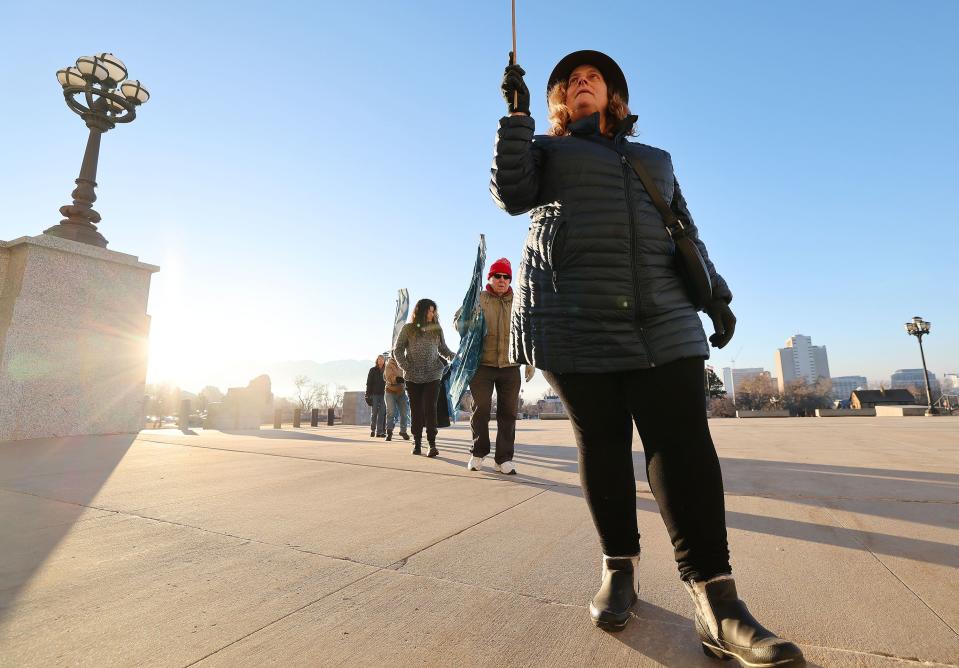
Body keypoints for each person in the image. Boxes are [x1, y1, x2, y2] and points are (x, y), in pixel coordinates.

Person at [491, 50, 803, 667]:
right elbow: (511, 191)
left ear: (615, 97)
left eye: (593, 78)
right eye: (570, 82)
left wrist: (715, 296)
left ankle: (718, 602)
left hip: (663, 316)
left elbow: (684, 229)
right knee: (602, 447)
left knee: (683, 447)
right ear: (559, 102)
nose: (581, 83)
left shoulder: (654, 159)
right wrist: (517, 116)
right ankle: (620, 568)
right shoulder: (546, 154)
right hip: (573, 318)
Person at [464, 257, 529, 475]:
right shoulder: (479, 299)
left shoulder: (519, 300)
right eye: (498, 276)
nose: (502, 280)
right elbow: (459, 323)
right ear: (490, 278)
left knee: (508, 414)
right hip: (482, 365)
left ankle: (504, 459)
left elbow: (528, 331)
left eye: (506, 277)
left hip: (511, 366)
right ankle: (478, 453)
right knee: (480, 409)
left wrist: (529, 360)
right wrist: (467, 318)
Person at [393, 298, 455, 457]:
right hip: (413, 376)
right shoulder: (408, 329)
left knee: (430, 408)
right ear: (420, 311)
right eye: (430, 310)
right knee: (416, 410)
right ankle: (417, 443)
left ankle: (432, 444)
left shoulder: (437, 329)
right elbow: (397, 350)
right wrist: (406, 366)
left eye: (434, 311)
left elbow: (443, 349)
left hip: (433, 374)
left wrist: (454, 357)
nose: (432, 314)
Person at [383, 356, 411, 441]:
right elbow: (389, 376)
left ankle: (403, 431)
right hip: (390, 391)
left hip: (401, 392)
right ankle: (389, 432)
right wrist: (397, 379)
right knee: (391, 412)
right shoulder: (389, 365)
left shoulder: (404, 363)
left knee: (404, 412)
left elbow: (408, 373)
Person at [365, 355, 387, 438]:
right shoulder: (372, 370)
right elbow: (369, 383)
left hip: (384, 394)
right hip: (374, 394)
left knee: (382, 413)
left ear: (384, 361)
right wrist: (367, 394)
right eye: (379, 359)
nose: (381, 361)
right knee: (374, 413)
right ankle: (373, 430)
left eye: (382, 359)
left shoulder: (386, 370)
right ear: (377, 361)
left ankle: (380, 432)